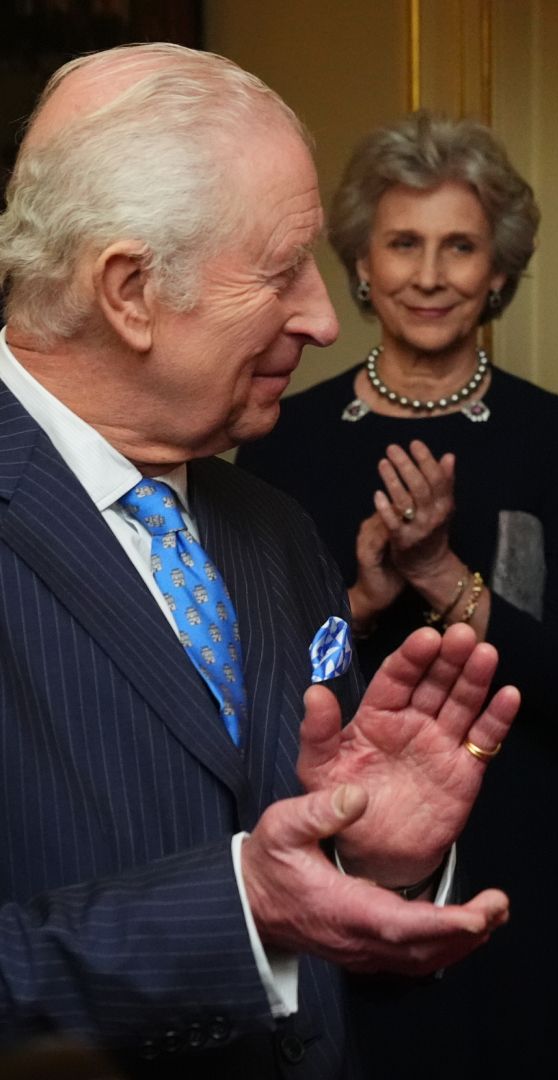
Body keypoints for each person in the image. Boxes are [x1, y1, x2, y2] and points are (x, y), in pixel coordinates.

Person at [0, 44, 522, 1080]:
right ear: (130, 289)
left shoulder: (273, 529)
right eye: (281, 269)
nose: (326, 317)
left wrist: (370, 859)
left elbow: (300, 871)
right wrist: (239, 912)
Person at [236, 113, 558, 1077]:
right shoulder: (286, 439)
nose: (429, 274)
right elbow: (273, 677)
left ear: (498, 271)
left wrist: (438, 576)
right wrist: (363, 604)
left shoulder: (557, 437)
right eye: (403, 245)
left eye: (459, 247)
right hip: (345, 832)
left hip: (518, 829)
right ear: (361, 267)